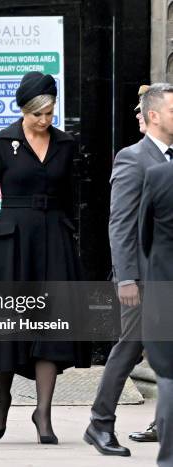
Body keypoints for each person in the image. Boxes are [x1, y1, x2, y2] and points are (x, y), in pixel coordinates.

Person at [0, 71, 91, 445]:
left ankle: (43, 414)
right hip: (12, 242)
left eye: (50, 113)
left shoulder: (66, 144)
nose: (45, 120)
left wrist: (69, 239)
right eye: (38, 114)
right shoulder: (3, 142)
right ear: (23, 110)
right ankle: (3, 399)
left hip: (55, 240)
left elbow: (74, 198)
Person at [84, 84, 159, 457]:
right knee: (129, 348)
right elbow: (120, 223)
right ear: (154, 116)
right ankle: (99, 423)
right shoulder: (133, 158)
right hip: (142, 278)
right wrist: (126, 276)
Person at [137, 82, 173, 467]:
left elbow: (144, 235)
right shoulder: (140, 162)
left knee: (168, 379)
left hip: (165, 289)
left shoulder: (160, 178)